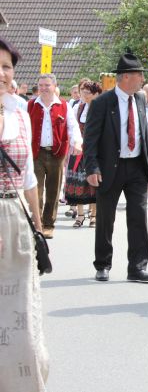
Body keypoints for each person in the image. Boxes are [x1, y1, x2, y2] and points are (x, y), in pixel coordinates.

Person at [0, 37, 49, 392]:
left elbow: (29, 176)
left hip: (17, 220)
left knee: (21, 314)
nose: (2, 73)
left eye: (6, 67)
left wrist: (39, 229)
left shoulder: (19, 113)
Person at [83, 52, 148, 283]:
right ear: (125, 77)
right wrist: (92, 168)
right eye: (139, 75)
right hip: (109, 168)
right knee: (106, 219)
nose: (142, 79)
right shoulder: (102, 103)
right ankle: (103, 264)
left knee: (139, 218)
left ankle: (137, 267)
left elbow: (144, 134)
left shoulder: (141, 99)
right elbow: (90, 139)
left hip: (137, 167)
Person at [27, 73, 83, 238]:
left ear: (54, 87)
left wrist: (77, 143)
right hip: (36, 153)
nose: (43, 88)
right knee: (36, 190)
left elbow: (73, 127)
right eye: (41, 85)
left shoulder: (64, 106)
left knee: (53, 191)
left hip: (57, 154)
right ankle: (37, 224)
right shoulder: (30, 105)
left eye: (47, 85)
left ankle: (48, 224)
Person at [64, 80, 102, 228]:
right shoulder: (78, 108)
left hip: (96, 151)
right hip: (79, 150)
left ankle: (94, 215)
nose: (84, 95)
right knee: (77, 183)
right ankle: (80, 215)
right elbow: (72, 128)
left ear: (96, 94)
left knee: (94, 183)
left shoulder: (101, 108)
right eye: (82, 92)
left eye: (88, 92)